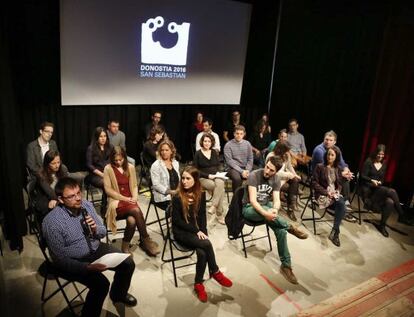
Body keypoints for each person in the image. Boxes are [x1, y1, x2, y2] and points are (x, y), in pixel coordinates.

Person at [42, 177, 137, 317]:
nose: (78, 198)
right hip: (74, 260)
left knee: (128, 263)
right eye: (72, 196)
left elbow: (103, 231)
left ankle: (118, 294)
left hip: (94, 248)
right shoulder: (52, 222)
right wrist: (86, 268)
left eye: (79, 193)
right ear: (61, 199)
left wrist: (95, 229)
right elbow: (59, 259)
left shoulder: (86, 205)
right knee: (101, 285)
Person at [242, 156, 308, 284]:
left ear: (276, 172)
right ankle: (289, 226)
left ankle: (286, 266)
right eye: (267, 167)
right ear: (266, 163)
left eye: (271, 170)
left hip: (267, 208)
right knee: (272, 216)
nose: (267, 171)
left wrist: (275, 210)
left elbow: (276, 200)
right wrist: (266, 213)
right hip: (249, 209)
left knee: (281, 232)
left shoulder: (276, 179)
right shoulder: (254, 175)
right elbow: (253, 201)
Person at [171, 166, 232, 302]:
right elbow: (177, 222)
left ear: (195, 180)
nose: (184, 181)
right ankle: (215, 271)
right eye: (183, 178)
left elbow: (202, 218)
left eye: (188, 178)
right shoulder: (177, 197)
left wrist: (203, 232)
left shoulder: (201, 194)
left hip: (195, 230)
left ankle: (198, 283)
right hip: (181, 232)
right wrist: (196, 231)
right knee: (206, 244)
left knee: (203, 251)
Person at [104, 146, 159, 256]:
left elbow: (134, 185)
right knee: (136, 210)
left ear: (124, 157)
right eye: (116, 160)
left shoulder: (130, 167)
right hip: (116, 202)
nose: (118, 162)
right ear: (112, 159)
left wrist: (134, 197)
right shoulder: (108, 168)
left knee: (132, 221)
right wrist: (124, 198)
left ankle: (125, 246)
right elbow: (108, 190)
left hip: (130, 202)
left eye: (121, 160)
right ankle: (146, 240)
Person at [360, 144, 413, 236]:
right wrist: (371, 180)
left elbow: (382, 179)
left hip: (377, 189)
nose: (380, 156)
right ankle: (402, 215)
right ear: (375, 153)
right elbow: (362, 176)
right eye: (379, 154)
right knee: (392, 191)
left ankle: (382, 225)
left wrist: (379, 182)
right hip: (368, 190)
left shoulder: (384, 163)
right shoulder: (369, 161)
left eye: (382, 154)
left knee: (390, 202)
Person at [311, 130, 357, 222]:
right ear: (323, 139)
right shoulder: (319, 150)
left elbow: (342, 163)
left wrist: (347, 171)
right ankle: (343, 204)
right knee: (343, 178)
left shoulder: (336, 149)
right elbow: (326, 167)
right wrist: (341, 173)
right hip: (321, 177)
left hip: (331, 176)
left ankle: (344, 202)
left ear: (334, 142)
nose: (328, 142)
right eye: (326, 139)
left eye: (331, 140)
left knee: (346, 178)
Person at [312, 146, 346, 247]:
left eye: (332, 155)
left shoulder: (338, 169)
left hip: (333, 195)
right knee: (342, 205)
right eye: (328, 154)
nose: (329, 157)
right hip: (322, 195)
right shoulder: (320, 166)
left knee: (341, 203)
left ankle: (335, 231)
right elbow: (314, 183)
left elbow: (339, 184)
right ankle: (335, 233)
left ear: (336, 157)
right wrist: (327, 193)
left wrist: (337, 191)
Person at [193, 133, 226, 224]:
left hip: (216, 176)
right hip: (203, 178)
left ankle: (214, 205)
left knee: (220, 183)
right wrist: (208, 176)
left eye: (209, 141)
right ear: (202, 142)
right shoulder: (198, 153)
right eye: (205, 141)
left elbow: (218, 166)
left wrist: (218, 173)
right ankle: (219, 214)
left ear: (211, 143)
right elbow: (195, 170)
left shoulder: (214, 152)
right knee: (221, 190)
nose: (207, 143)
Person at [266, 142, 301, 221]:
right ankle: (290, 201)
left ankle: (291, 208)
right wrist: (288, 174)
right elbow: (275, 172)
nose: (288, 153)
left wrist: (295, 174)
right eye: (286, 150)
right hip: (273, 178)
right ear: (281, 150)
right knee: (291, 188)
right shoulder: (271, 156)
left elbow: (289, 166)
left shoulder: (286, 155)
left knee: (295, 180)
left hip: (283, 177)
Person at [34, 150, 68, 221]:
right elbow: (50, 193)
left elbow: (66, 185)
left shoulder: (63, 169)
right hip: (45, 200)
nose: (57, 165)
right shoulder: (41, 175)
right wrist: (64, 200)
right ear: (47, 164)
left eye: (58, 162)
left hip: (60, 197)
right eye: (53, 163)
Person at [150, 139, 180, 210]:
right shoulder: (156, 165)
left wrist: (179, 190)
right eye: (162, 150)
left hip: (176, 194)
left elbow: (179, 179)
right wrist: (171, 192)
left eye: (166, 150)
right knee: (179, 206)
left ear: (171, 151)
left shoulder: (175, 163)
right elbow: (156, 185)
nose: (164, 152)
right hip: (163, 197)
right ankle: (173, 220)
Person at [223, 125, 254, 192]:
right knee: (237, 178)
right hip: (232, 168)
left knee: (254, 176)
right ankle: (236, 200)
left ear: (244, 134)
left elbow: (250, 158)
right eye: (237, 133)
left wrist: (247, 170)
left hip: (245, 168)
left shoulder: (247, 144)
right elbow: (229, 161)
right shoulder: (228, 145)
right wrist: (241, 171)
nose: (239, 135)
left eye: (241, 134)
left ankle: (249, 198)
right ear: (234, 134)